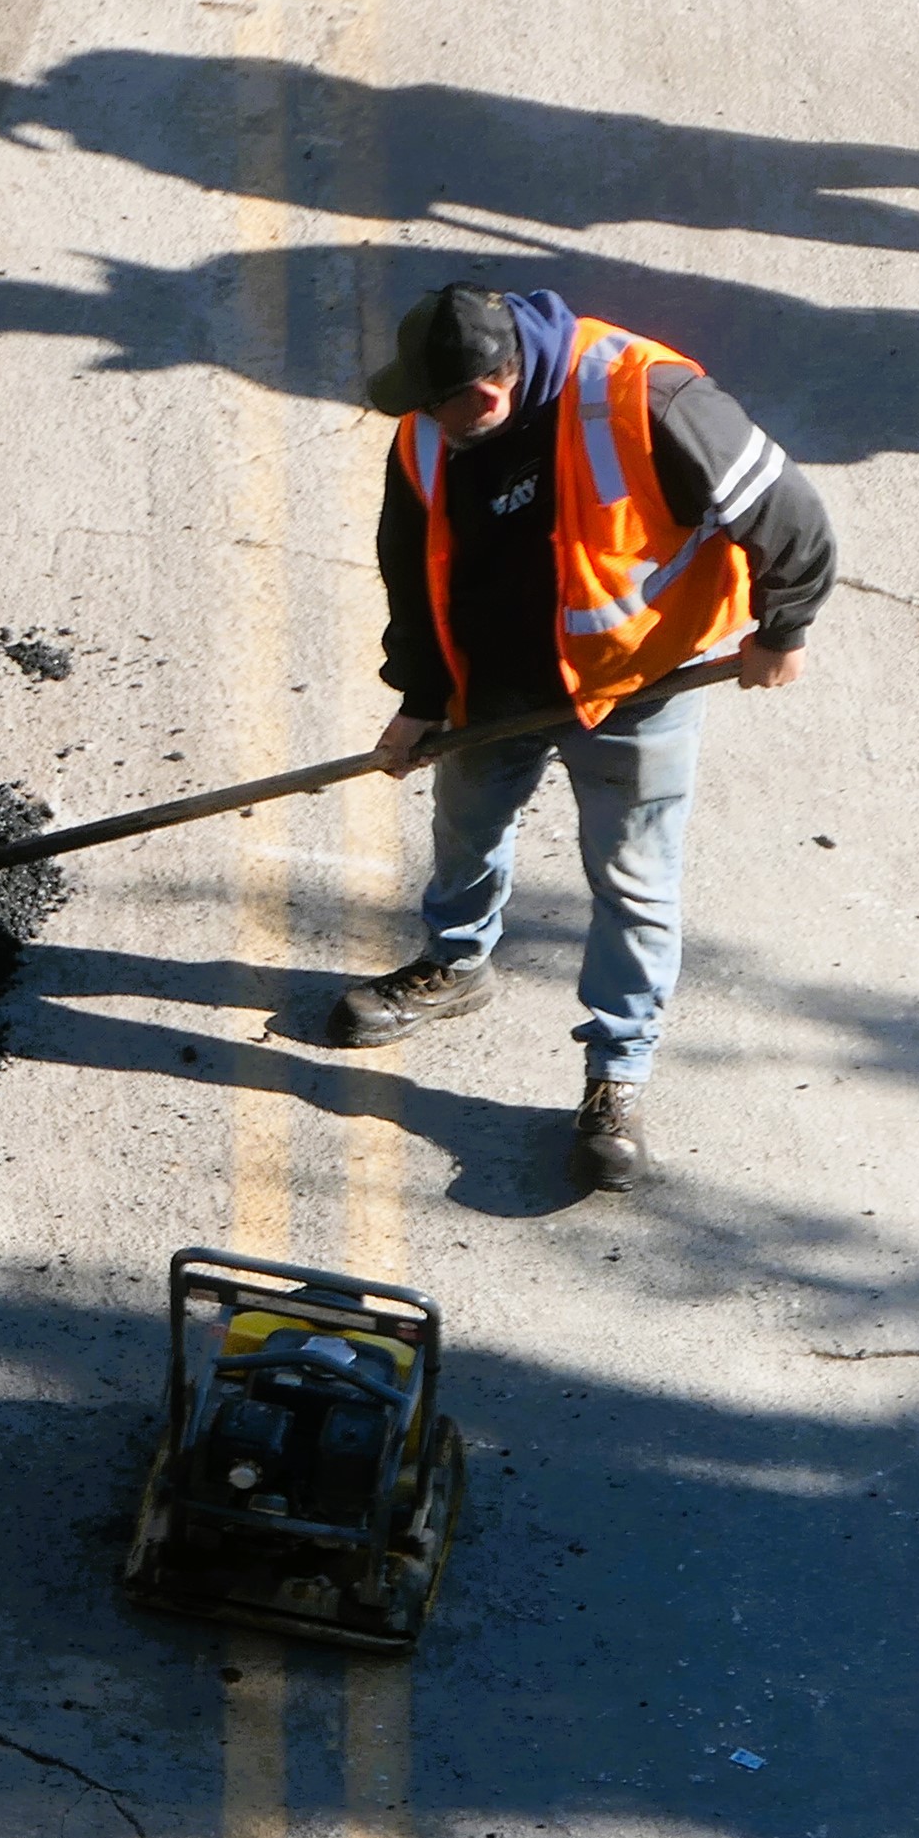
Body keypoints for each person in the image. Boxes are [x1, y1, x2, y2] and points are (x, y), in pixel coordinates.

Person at [331, 282, 830, 1193]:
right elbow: (412, 568)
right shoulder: (427, 429)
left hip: (639, 686)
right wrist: (423, 695)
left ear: (497, 380)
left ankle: (617, 1075)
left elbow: (789, 514)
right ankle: (455, 961)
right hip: (496, 692)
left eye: (453, 405)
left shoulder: (649, 396)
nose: (436, 423)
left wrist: (781, 628)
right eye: (425, 407)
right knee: (467, 822)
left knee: (634, 881)